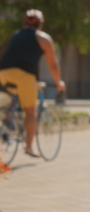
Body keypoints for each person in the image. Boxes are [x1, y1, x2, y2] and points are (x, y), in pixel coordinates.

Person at [0, 10, 66, 158]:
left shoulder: (16, 34)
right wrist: (58, 83)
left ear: (24, 23)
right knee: (31, 111)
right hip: (24, 75)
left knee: (16, 95)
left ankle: (8, 120)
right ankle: (29, 147)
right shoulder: (43, 38)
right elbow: (53, 65)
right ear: (40, 24)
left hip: (3, 73)